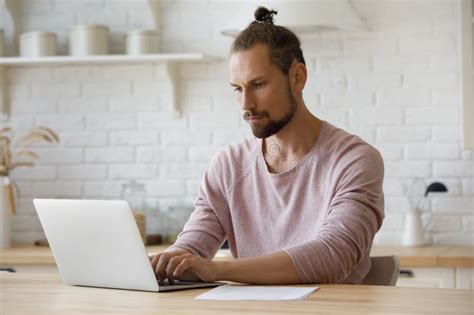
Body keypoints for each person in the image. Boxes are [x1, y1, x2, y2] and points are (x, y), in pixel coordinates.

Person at [150, 7, 384, 285]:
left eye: (258, 84)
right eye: (238, 89)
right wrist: (171, 261)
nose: (246, 104)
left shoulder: (354, 160)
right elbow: (192, 246)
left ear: (297, 78)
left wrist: (216, 270)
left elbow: (334, 255)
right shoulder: (228, 165)